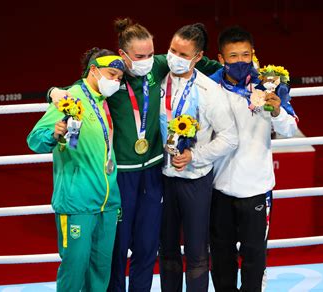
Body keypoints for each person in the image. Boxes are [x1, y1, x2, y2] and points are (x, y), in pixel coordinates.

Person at [48, 18, 221, 292]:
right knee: (117, 250)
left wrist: (240, 72)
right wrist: (53, 92)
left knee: (146, 247)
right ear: (122, 56)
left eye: (151, 54)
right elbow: (80, 90)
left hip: (153, 173)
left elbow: (203, 63)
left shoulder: (159, 65)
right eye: (140, 56)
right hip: (121, 177)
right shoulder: (111, 80)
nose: (148, 60)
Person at [27, 48, 125, 292]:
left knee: (101, 270)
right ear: (94, 70)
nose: (115, 81)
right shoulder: (71, 98)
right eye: (111, 74)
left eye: (119, 78)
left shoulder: (106, 102)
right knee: (75, 269)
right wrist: (54, 133)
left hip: (108, 202)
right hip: (77, 202)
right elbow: (34, 139)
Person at [209, 26, 298, 292]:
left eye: (245, 55)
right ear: (221, 58)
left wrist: (277, 110)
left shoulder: (270, 83)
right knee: (222, 257)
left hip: (257, 188)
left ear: (253, 54)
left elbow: (290, 129)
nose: (240, 61)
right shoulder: (209, 85)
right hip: (219, 187)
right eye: (233, 56)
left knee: (255, 258)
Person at [158, 23, 238, 292]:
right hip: (162, 180)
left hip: (195, 181)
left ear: (198, 57)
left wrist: (195, 156)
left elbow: (230, 137)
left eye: (182, 54)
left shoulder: (209, 91)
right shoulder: (157, 82)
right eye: (171, 50)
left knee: (196, 254)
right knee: (166, 251)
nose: (174, 58)